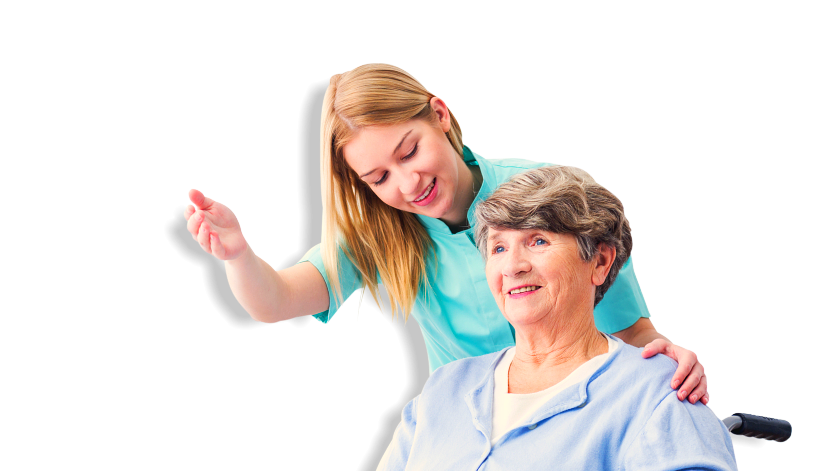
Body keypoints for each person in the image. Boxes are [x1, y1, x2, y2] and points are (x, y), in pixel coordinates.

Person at [215, 166, 743, 471]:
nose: (512, 266)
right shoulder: (447, 389)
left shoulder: (657, 386)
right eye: (497, 248)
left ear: (600, 261)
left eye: (537, 241)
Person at [183, 63, 709, 405]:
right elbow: (274, 301)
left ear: (440, 114)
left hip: (580, 410)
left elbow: (632, 332)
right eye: (379, 177)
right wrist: (237, 254)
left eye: (410, 151)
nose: (408, 184)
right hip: (473, 428)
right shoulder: (382, 232)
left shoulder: (554, 193)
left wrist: (673, 362)